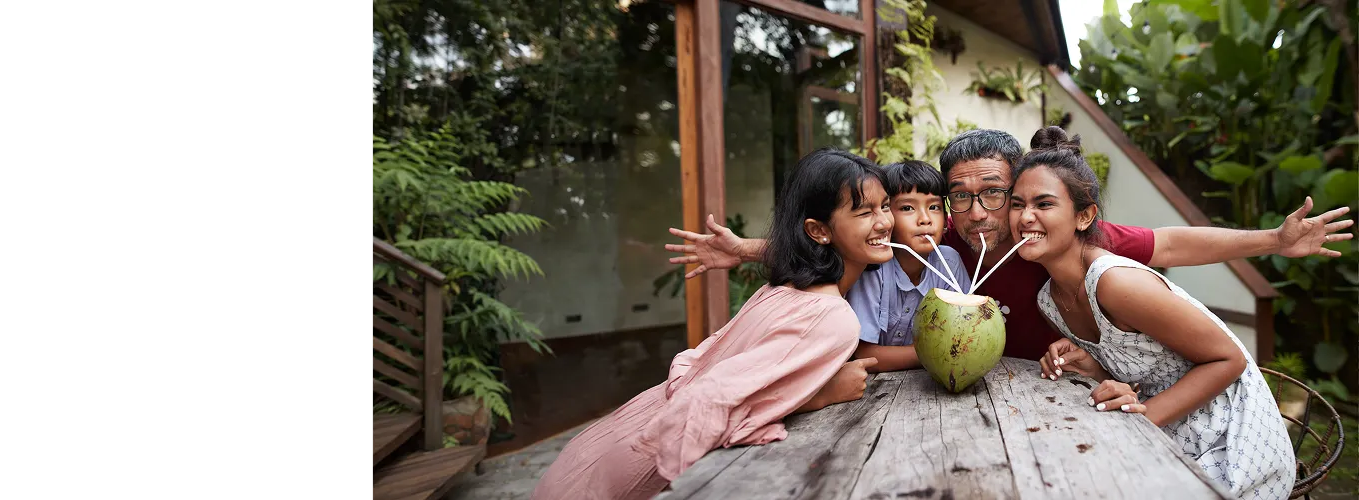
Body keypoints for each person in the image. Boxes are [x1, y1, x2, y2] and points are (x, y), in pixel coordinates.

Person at [665, 129, 1353, 362]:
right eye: (958, 196)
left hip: (1074, 392)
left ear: (1019, 189)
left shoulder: (1058, 240)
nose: (976, 212)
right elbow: (861, 242)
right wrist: (749, 249)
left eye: (994, 193)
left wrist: (1273, 240)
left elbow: (1171, 241)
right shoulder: (944, 249)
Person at [531, 149, 894, 500]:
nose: (885, 222)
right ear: (818, 230)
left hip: (602, 446)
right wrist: (821, 394)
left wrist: (744, 249)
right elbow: (705, 404)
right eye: (865, 212)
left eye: (886, 206)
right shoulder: (831, 316)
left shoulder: (783, 289)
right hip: (638, 469)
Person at [1017, 127, 1294, 499]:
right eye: (1017, 204)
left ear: (1084, 216)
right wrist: (1093, 368)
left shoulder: (1115, 282)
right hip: (1162, 430)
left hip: (1232, 442)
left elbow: (1229, 359)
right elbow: (1143, 371)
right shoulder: (1049, 300)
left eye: (1044, 204)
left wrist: (1142, 415)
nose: (1025, 217)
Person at [848, 160, 970, 372]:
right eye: (907, 208)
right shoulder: (873, 266)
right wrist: (937, 353)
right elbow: (865, 355)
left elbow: (966, 332)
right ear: (886, 216)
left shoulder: (949, 263)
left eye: (934, 207)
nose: (925, 219)